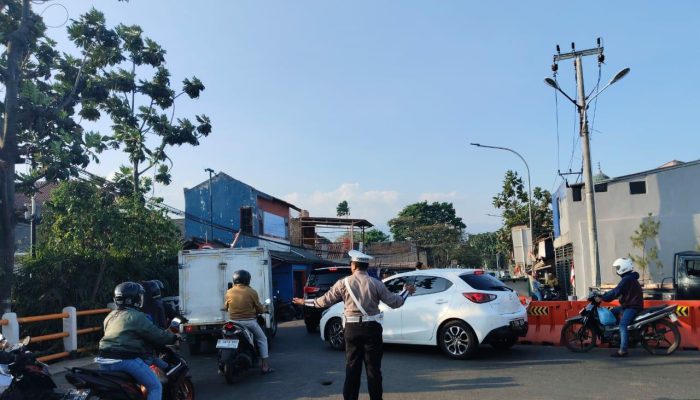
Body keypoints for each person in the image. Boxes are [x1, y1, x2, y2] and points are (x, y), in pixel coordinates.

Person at [293, 250, 416, 400]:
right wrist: (406, 292)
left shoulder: (342, 283)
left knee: (352, 368)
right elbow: (396, 302)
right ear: (366, 266)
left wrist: (303, 301)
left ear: (353, 265)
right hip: (372, 329)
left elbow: (322, 302)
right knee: (373, 370)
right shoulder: (376, 283)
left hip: (351, 330)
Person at [96, 282, 177, 400]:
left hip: (104, 361)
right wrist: (173, 337)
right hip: (125, 360)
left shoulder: (111, 316)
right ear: (133, 299)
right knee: (155, 386)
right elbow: (157, 335)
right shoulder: (137, 316)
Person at [224, 269, 273, 373]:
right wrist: (265, 309)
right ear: (247, 280)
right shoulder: (252, 291)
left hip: (233, 322)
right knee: (262, 339)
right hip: (249, 321)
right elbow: (259, 308)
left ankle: (221, 366)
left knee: (225, 338)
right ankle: (265, 366)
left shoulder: (229, 292)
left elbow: (226, 306)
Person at [599, 257, 643, 357]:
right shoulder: (629, 278)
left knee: (623, 325)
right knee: (613, 311)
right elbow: (616, 290)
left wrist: (604, 298)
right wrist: (605, 294)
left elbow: (616, 292)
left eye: (618, 267)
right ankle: (616, 337)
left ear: (623, 267)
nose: (616, 270)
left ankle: (623, 350)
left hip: (632, 307)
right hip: (629, 305)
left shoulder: (627, 279)